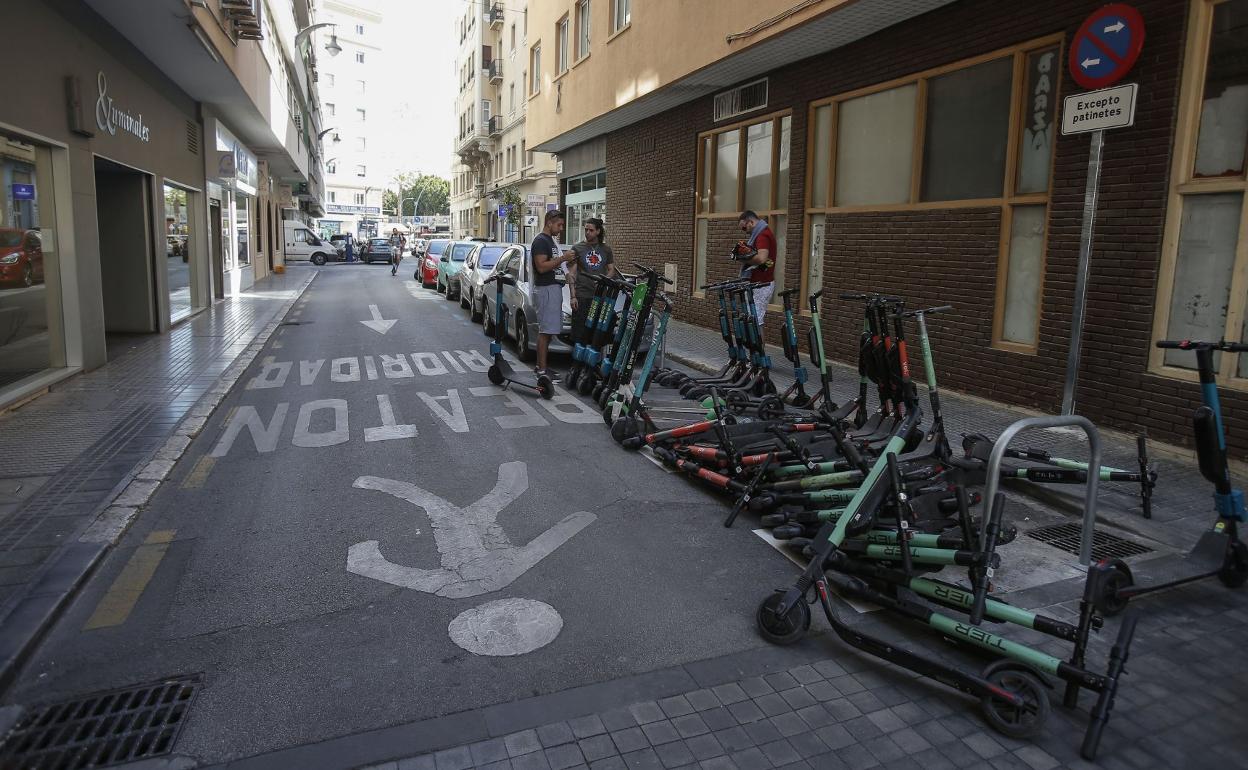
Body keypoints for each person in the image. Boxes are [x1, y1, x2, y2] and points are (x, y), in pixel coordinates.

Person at [530, 209, 576, 382]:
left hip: (552, 289)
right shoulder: (541, 241)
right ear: (549, 222)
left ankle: (541, 366)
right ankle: (541, 370)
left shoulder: (550, 241)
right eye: (559, 224)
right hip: (546, 289)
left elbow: (555, 265)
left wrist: (566, 262)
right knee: (546, 331)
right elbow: (541, 267)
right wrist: (563, 258)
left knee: (549, 331)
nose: (561, 228)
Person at [565, 217, 616, 335]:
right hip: (582, 296)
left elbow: (611, 270)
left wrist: (604, 280)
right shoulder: (577, 248)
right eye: (586, 230)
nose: (587, 232)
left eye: (591, 230)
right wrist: (573, 296)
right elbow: (572, 274)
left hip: (601, 297)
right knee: (580, 334)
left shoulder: (606, 249)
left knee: (598, 335)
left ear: (598, 231)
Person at [736, 210, 776, 327]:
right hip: (760, 283)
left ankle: (758, 345)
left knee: (755, 322)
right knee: (753, 320)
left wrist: (743, 258)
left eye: (744, 228)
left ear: (750, 222)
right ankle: (754, 345)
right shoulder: (763, 233)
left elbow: (762, 259)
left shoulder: (762, 235)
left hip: (761, 284)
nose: (745, 231)